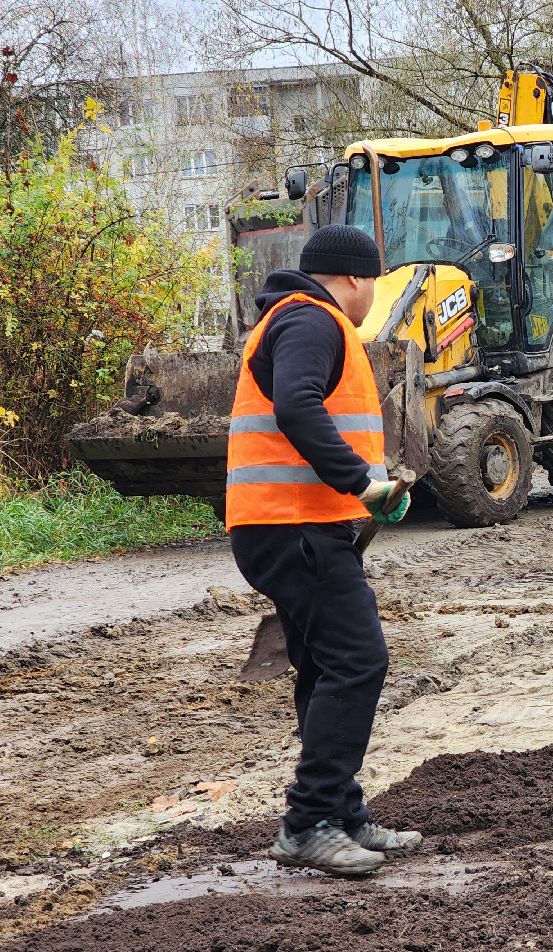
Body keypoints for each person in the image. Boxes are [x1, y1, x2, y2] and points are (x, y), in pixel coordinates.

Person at [226, 224, 421, 877]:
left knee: (324, 667)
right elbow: (296, 406)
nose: (374, 297)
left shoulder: (301, 319)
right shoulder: (311, 319)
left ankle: (340, 812)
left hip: (295, 524)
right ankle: (308, 822)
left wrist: (366, 493)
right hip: (292, 525)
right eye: (376, 284)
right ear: (355, 278)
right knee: (359, 661)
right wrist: (361, 481)